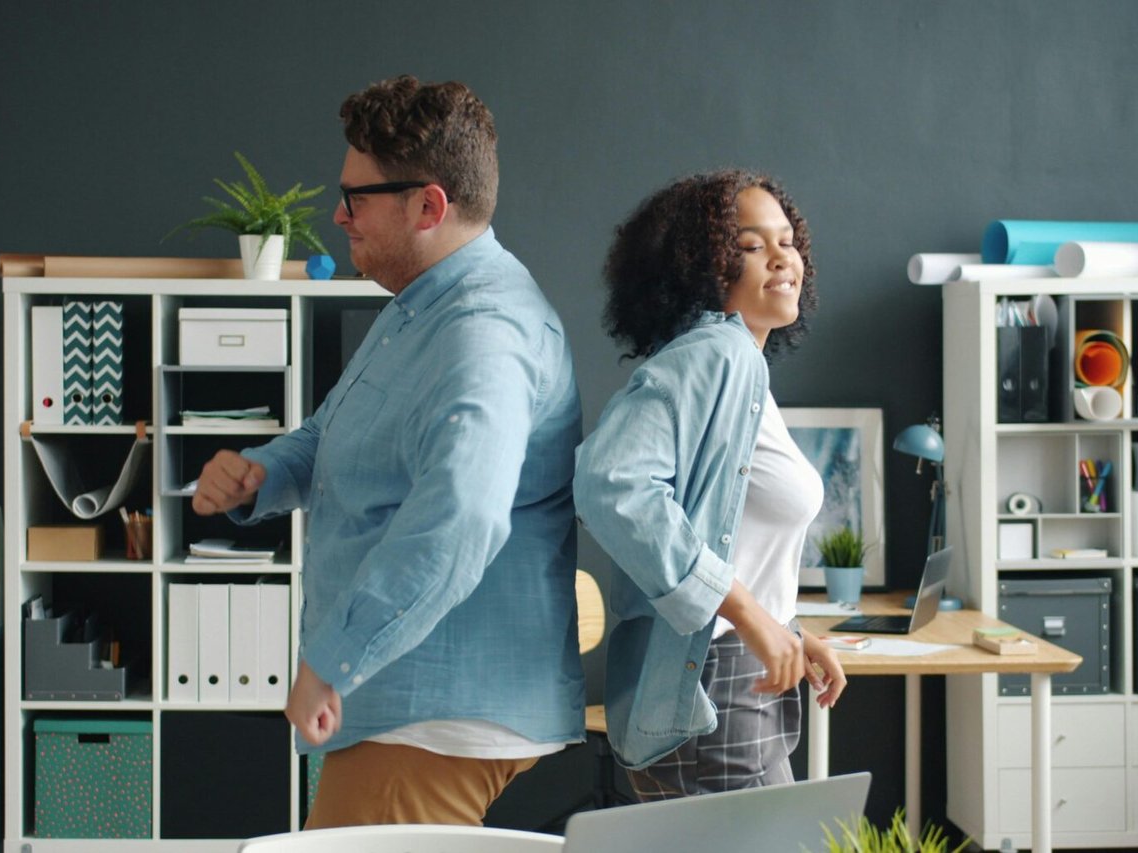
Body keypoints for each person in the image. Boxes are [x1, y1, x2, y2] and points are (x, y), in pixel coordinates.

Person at [191, 75, 585, 828]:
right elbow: (332, 431)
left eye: (356, 197)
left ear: (429, 205)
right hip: (408, 706)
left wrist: (333, 660)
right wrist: (261, 474)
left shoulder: (484, 334)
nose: (338, 215)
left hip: (434, 715)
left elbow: (461, 516)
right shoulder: (419, 308)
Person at [574, 170, 848, 800]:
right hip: (715, 689)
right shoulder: (715, 356)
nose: (782, 258)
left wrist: (788, 631)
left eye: (787, 240)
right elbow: (610, 483)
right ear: (703, 267)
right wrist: (751, 617)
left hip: (731, 680)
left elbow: (726, 531)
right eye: (751, 246)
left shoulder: (743, 369)